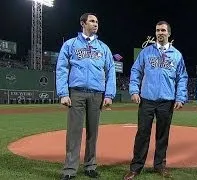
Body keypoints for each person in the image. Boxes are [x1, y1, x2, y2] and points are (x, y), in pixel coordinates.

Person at [124, 21, 188, 180]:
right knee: (142, 134)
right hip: (147, 99)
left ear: (169, 33)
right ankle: (136, 167)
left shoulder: (177, 55)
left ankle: (160, 165)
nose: (160, 33)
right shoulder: (146, 52)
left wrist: (180, 97)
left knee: (162, 135)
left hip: (167, 101)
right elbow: (136, 71)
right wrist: (134, 90)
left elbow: (182, 78)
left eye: (163, 30)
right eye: (158, 30)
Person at [56, 12, 116, 180]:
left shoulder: (103, 47)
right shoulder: (71, 44)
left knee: (93, 133)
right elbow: (61, 69)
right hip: (76, 93)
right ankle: (69, 169)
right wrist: (63, 93)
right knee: (74, 132)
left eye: (97, 21)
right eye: (91, 21)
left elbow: (110, 71)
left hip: (97, 94)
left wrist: (109, 94)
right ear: (83, 23)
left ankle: (90, 166)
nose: (95, 24)